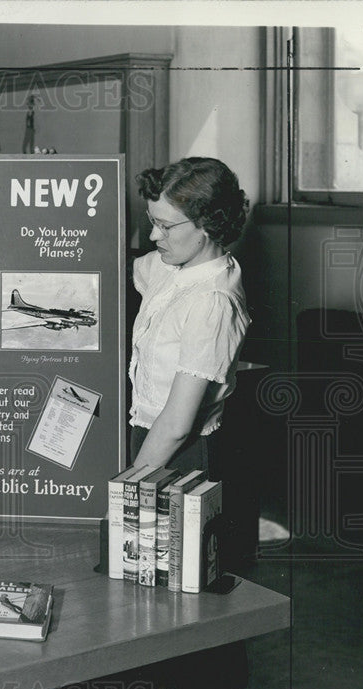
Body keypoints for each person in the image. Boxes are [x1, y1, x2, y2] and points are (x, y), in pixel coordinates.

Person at [129, 156, 250, 478]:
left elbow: (177, 425)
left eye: (165, 227)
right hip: (147, 431)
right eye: (152, 222)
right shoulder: (169, 266)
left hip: (180, 452)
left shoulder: (213, 302)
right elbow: (113, 265)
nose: (154, 237)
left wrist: (130, 482)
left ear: (209, 224)